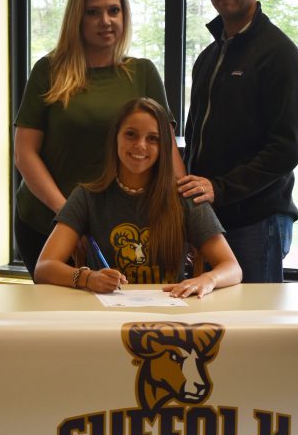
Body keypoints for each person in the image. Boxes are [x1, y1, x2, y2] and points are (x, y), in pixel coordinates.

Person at [14, 0, 183, 274]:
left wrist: (185, 213)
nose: (105, 21)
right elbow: (24, 153)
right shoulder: (49, 71)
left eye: (113, 10)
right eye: (93, 12)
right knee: (60, 305)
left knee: (117, 302)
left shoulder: (143, 72)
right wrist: (68, 217)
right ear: (77, 18)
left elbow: (167, 152)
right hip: (46, 220)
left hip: (120, 227)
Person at [178, 0, 298, 282]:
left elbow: (285, 150)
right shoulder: (209, 57)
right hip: (210, 217)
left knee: (253, 314)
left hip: (257, 220)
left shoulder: (280, 56)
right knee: (211, 311)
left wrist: (220, 188)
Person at [34, 97, 241, 298]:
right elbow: (44, 267)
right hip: (107, 312)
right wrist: (87, 278)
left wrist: (208, 279)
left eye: (152, 139)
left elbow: (232, 268)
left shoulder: (184, 196)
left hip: (170, 311)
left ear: (164, 146)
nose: (140, 145)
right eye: (131, 134)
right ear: (115, 137)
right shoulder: (88, 196)